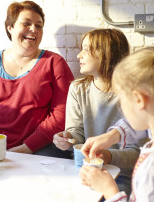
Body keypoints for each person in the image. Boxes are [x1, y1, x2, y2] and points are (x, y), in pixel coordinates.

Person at [0, 0, 74, 157]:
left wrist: (26, 149)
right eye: (26, 23)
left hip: (42, 149)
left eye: (39, 26)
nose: (33, 29)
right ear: (10, 27)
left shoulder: (54, 63)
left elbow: (61, 114)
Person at [53, 28, 143, 196]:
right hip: (86, 170)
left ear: (107, 54)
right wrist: (66, 140)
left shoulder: (132, 93)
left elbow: (136, 154)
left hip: (121, 175)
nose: (79, 55)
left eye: (86, 49)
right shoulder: (77, 88)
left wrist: (108, 156)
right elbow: (76, 134)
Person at [79, 47, 154, 201]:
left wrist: (109, 190)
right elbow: (142, 125)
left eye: (121, 99)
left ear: (139, 100)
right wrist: (111, 136)